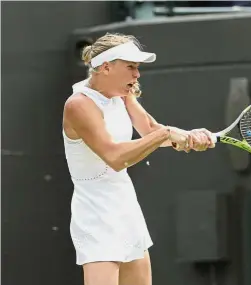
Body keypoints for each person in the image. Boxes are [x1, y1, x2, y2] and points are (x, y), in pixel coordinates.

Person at [62, 32, 215, 285]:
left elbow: (150, 130)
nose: (137, 75)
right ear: (106, 67)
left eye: (138, 68)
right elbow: (115, 157)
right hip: (95, 214)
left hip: (126, 206)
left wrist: (189, 137)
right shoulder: (78, 105)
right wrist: (168, 133)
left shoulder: (124, 95)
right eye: (131, 67)